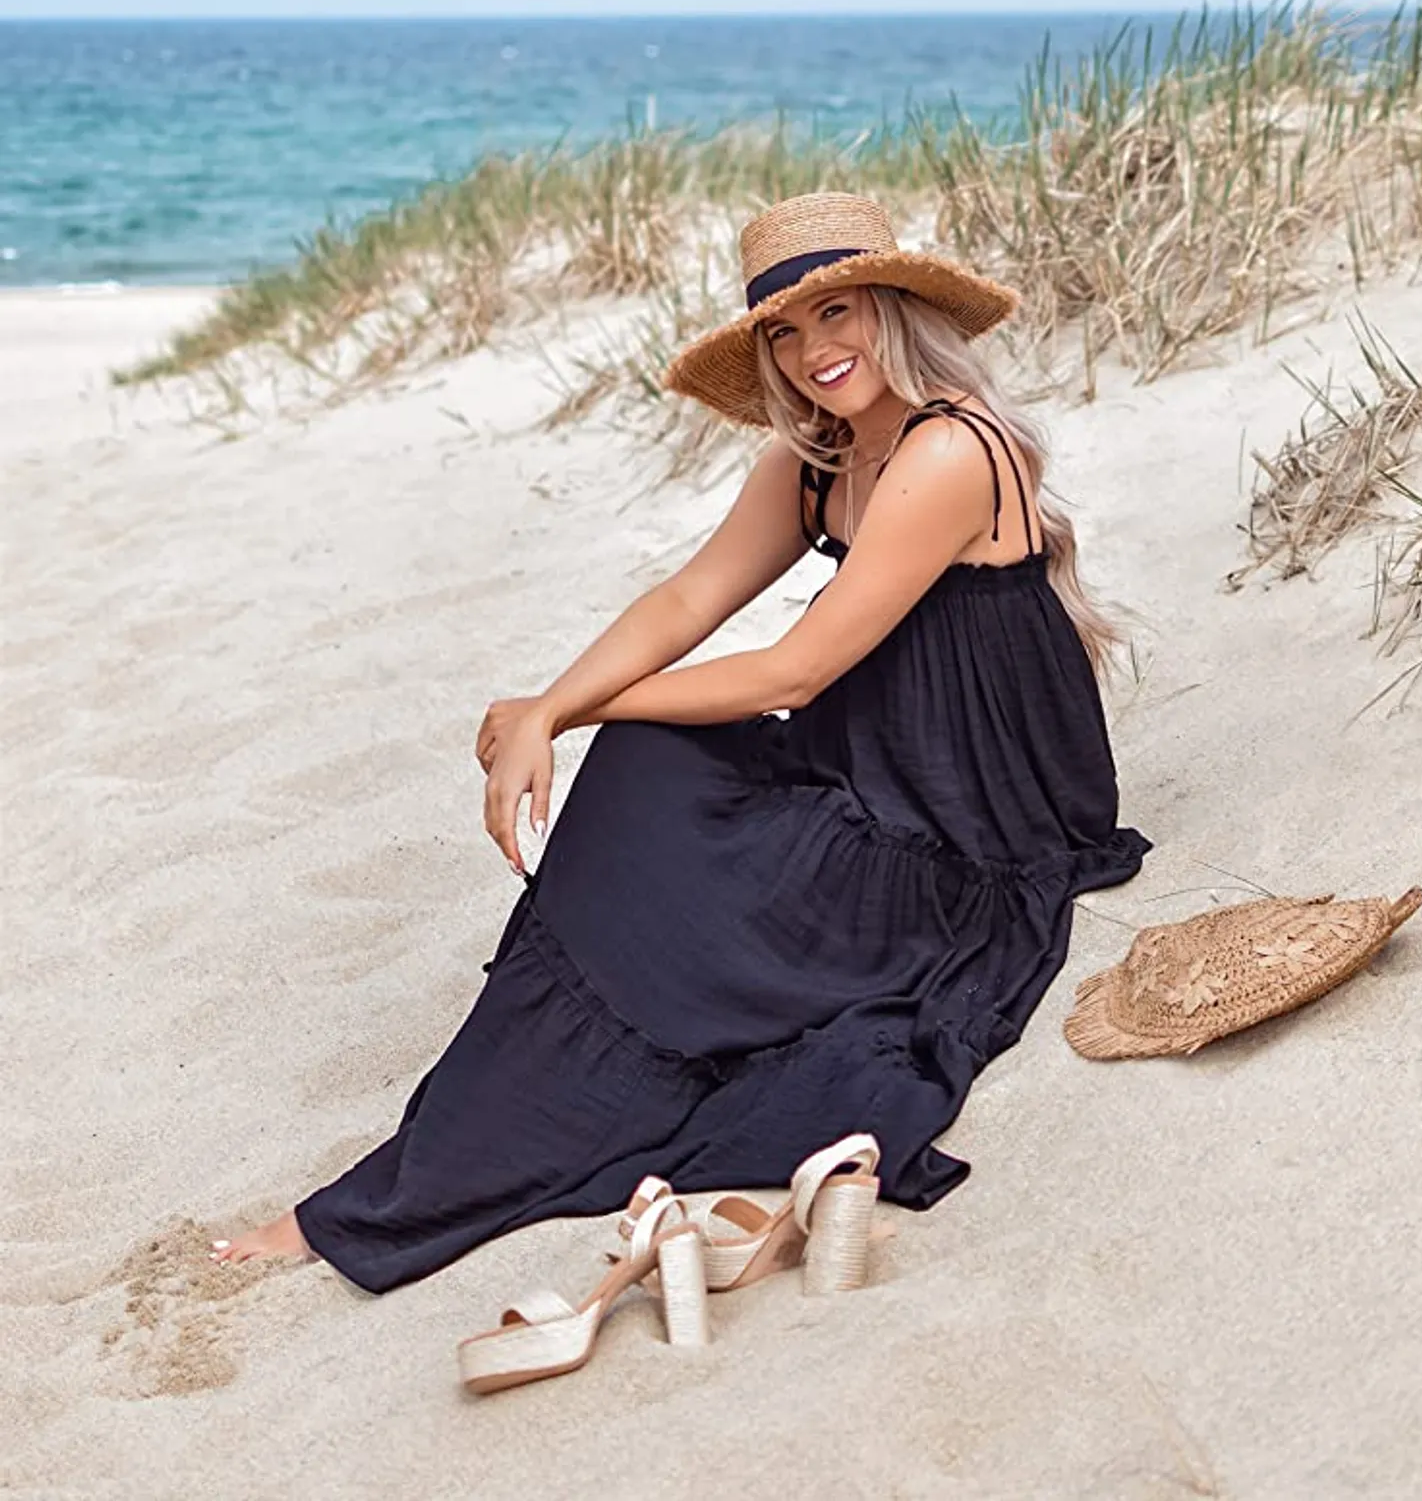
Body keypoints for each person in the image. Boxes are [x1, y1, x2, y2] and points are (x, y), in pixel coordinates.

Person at [213, 191, 1149, 1292]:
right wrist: (546, 702)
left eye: (836, 312)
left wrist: (570, 716)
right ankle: (480, 1124)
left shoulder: (952, 451)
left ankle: (451, 1159)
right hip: (868, 769)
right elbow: (686, 596)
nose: (813, 353)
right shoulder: (817, 460)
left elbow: (797, 668)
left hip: (973, 826)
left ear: (892, 306)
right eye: (784, 333)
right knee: (652, 776)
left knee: (644, 772)